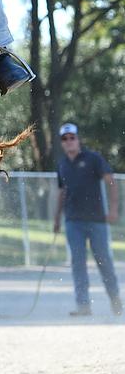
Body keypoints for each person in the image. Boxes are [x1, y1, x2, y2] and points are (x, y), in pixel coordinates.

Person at [53, 122, 121, 317]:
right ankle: (83, 305)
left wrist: (114, 209)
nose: (69, 141)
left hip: (97, 220)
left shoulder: (93, 159)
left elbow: (111, 181)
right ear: (62, 143)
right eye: (64, 139)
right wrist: (57, 219)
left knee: (104, 260)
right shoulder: (62, 164)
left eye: (72, 137)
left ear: (78, 139)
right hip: (73, 221)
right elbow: (62, 192)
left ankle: (115, 299)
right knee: (78, 262)